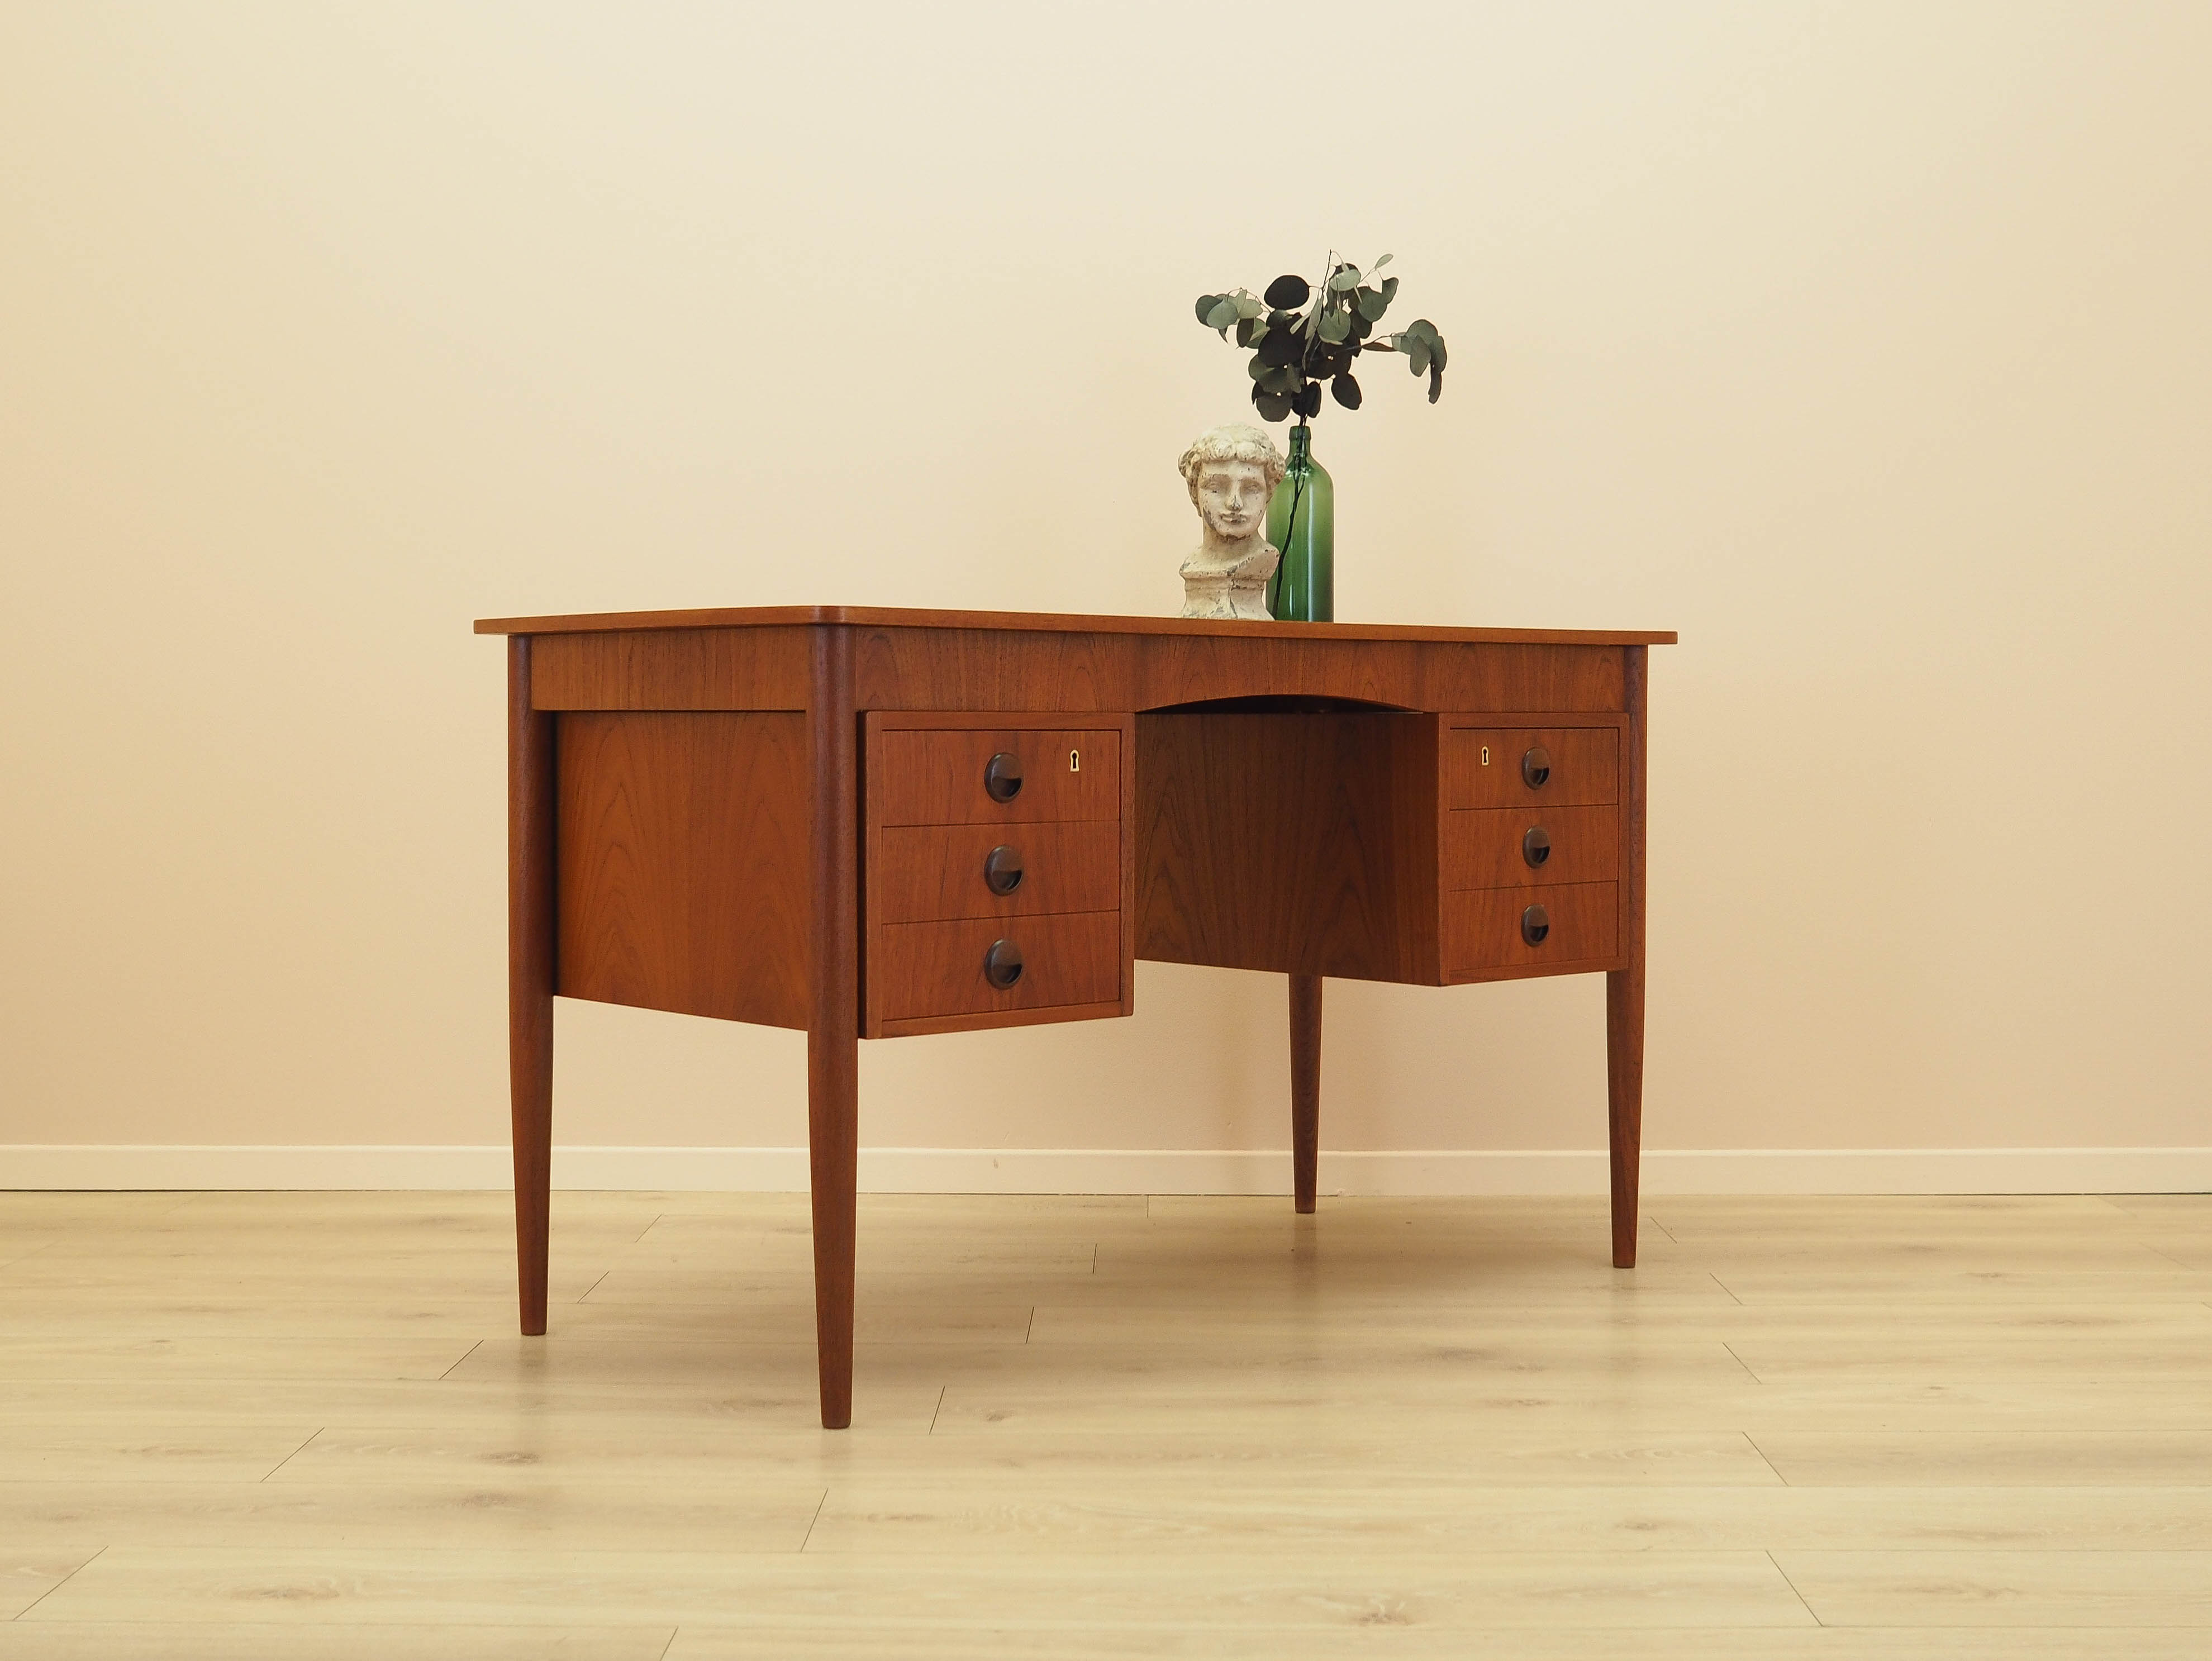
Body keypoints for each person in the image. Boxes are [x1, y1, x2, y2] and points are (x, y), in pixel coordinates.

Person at [1176, 423, 1285, 620]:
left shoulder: (1264, 559)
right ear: (1194, 492)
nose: (1235, 502)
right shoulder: (1193, 563)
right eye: (1217, 487)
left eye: (1251, 488)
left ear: (1268, 494)